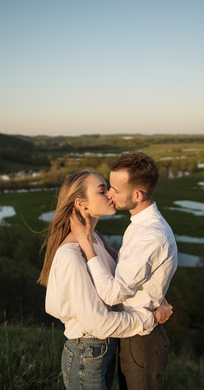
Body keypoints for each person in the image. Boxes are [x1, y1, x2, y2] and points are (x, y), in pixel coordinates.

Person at [38, 169, 172, 390]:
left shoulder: (95, 241)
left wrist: (156, 294)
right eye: (102, 190)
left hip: (103, 350)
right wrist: (151, 318)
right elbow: (99, 324)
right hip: (86, 354)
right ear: (82, 204)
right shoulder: (70, 256)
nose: (111, 194)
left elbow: (123, 278)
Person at [71, 152, 178, 390]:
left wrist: (88, 246)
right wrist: (98, 240)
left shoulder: (152, 235)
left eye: (115, 190)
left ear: (137, 195)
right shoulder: (140, 224)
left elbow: (111, 294)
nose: (109, 194)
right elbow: (134, 267)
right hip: (132, 331)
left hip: (142, 339)